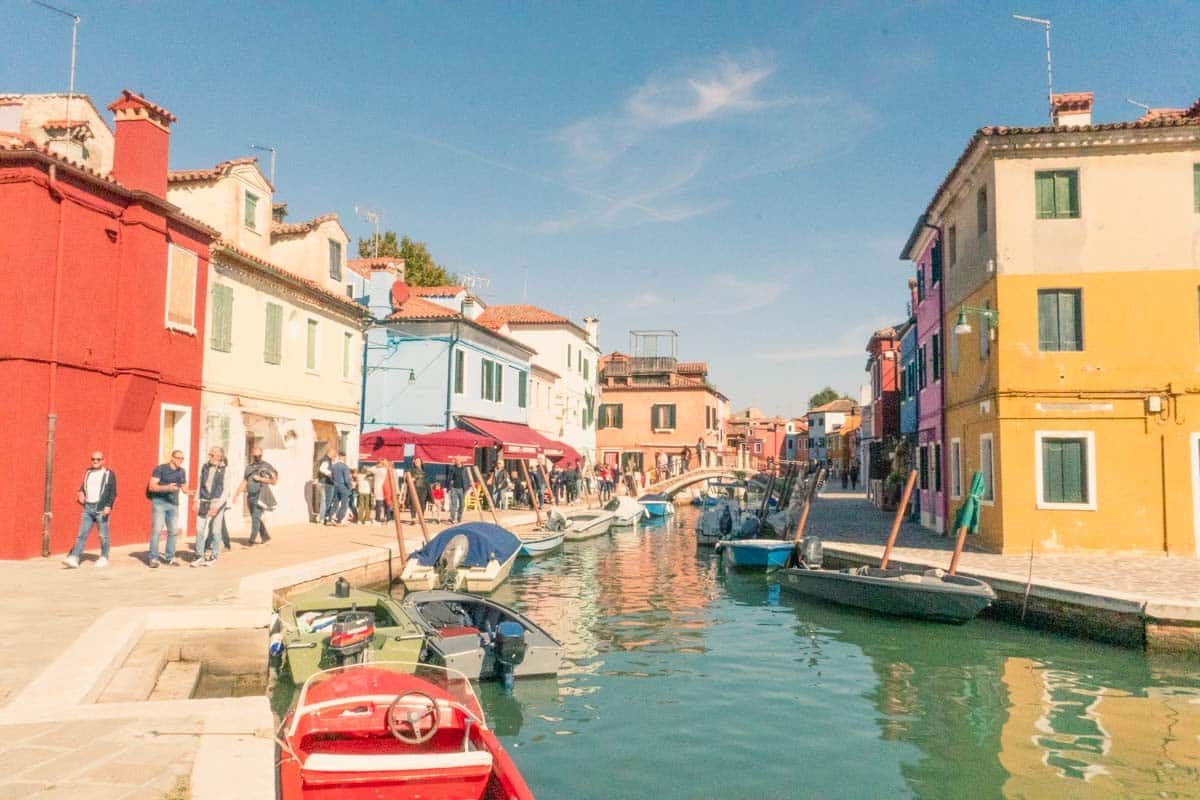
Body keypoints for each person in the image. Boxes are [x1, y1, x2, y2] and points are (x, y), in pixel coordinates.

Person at [64, 450, 117, 568]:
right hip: (88, 507)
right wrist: (81, 492)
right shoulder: (88, 472)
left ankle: (104, 557)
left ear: (103, 460)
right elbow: (84, 486)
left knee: (103, 535)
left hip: (101, 507)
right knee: (82, 534)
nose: (95, 461)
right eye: (93, 459)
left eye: (98, 459)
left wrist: (109, 506)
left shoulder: (108, 473)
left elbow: (113, 492)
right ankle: (74, 557)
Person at [147, 449, 190, 567]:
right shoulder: (160, 469)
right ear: (172, 458)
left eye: (182, 458)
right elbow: (152, 486)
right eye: (178, 458)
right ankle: (153, 558)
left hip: (173, 504)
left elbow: (184, 487)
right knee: (157, 530)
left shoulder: (182, 471)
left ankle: (170, 557)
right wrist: (167, 488)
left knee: (173, 531)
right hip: (159, 503)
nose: (180, 460)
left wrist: (189, 492)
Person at [192, 447, 230, 567]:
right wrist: (195, 501)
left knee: (215, 530)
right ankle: (199, 555)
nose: (210, 457)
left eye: (212, 454)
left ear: (219, 456)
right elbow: (200, 484)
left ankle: (214, 555)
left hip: (217, 502)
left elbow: (226, 491)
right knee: (199, 529)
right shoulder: (205, 467)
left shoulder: (225, 470)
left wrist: (217, 507)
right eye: (210, 454)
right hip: (204, 501)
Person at [233, 447, 277, 546]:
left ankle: (251, 540)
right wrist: (237, 494)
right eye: (255, 455)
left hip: (260, 495)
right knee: (255, 517)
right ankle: (265, 536)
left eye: (259, 455)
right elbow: (244, 481)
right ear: (252, 455)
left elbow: (274, 481)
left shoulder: (267, 466)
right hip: (250, 496)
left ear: (262, 455)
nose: (257, 457)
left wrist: (261, 479)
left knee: (255, 517)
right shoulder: (249, 467)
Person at [331, 453, 353, 524]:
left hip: (336, 486)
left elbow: (332, 477)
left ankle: (331, 518)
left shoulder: (334, 466)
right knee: (344, 504)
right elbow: (347, 479)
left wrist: (335, 483)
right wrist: (350, 486)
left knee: (335, 503)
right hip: (343, 487)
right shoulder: (345, 467)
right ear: (343, 457)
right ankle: (339, 519)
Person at [446, 456, 470, 524]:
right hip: (454, 488)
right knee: (453, 504)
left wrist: (467, 487)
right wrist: (448, 488)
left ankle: (459, 518)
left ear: (461, 461)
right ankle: (452, 518)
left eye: (457, 460)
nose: (456, 461)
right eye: (455, 459)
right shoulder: (452, 468)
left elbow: (467, 478)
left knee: (462, 505)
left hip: (462, 489)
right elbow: (449, 478)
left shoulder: (464, 469)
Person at [408, 457, 430, 524]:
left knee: (422, 504)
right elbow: (407, 479)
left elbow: (427, 479)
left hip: (423, 489)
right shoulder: (411, 470)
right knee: (413, 503)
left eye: (418, 461)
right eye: (415, 461)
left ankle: (421, 518)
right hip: (414, 488)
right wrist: (411, 479)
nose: (416, 462)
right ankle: (413, 519)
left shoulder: (425, 470)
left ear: (421, 462)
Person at [316, 449, 335, 524]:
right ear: (330, 453)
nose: (334, 456)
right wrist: (330, 474)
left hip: (323, 482)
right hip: (325, 482)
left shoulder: (326, 459)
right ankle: (321, 518)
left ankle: (322, 517)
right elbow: (322, 469)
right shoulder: (326, 459)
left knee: (325, 500)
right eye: (334, 454)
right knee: (326, 501)